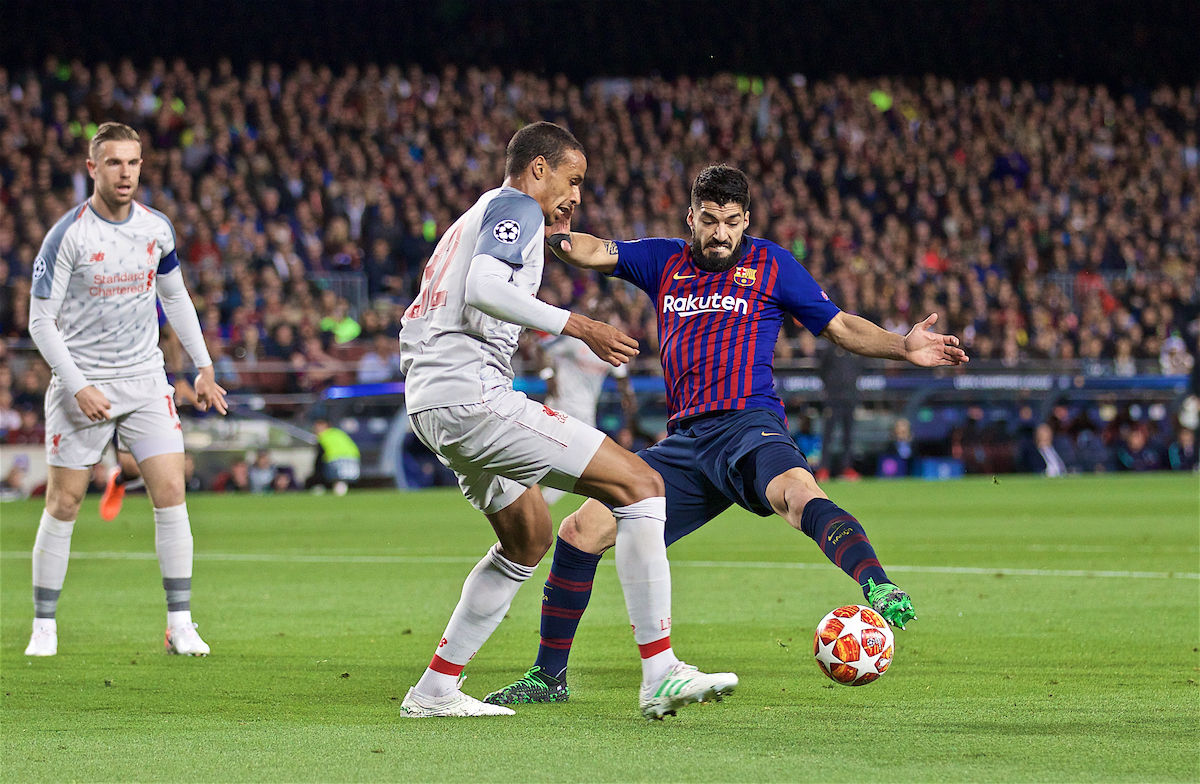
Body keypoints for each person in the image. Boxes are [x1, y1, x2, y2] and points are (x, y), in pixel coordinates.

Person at [484, 164, 967, 705]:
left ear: (746, 222)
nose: (720, 234)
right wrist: (543, 229)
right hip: (685, 445)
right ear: (692, 217)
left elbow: (840, 326)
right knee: (580, 531)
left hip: (748, 426)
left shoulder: (773, 264)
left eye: (731, 222)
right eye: (710, 221)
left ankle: (876, 582)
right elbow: (596, 251)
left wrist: (902, 346)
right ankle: (549, 678)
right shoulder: (663, 259)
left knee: (798, 494)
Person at [397, 122, 736, 719]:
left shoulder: (474, 216)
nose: (576, 196)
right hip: (472, 396)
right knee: (642, 485)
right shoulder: (518, 207)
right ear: (537, 169)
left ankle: (434, 691)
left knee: (528, 536)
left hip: (431, 399)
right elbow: (482, 287)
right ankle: (660, 670)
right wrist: (579, 324)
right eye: (572, 180)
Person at [24, 122, 228, 658]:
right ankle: (44, 625)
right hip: (82, 385)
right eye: (113, 163)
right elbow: (40, 322)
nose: (125, 173)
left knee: (171, 491)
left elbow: (177, 299)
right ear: (92, 168)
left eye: (133, 163)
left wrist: (204, 367)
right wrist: (79, 386)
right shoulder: (67, 236)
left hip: (145, 379)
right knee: (64, 502)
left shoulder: (156, 229)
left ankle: (180, 624)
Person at [536, 302, 632, 505]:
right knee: (583, 461)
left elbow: (621, 376)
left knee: (580, 462)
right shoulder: (575, 340)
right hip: (560, 405)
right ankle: (605, 501)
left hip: (585, 410)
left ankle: (540, 500)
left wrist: (627, 396)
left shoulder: (611, 349)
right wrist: (548, 376)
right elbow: (543, 350)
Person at [308, 417, 360, 496]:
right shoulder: (338, 432)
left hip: (335, 458)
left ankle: (325, 486)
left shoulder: (323, 436)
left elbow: (320, 453)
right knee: (345, 478)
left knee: (333, 475)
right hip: (353, 457)